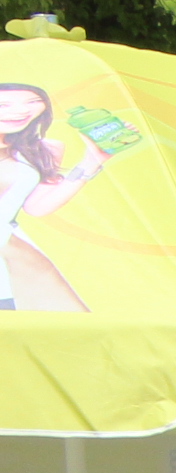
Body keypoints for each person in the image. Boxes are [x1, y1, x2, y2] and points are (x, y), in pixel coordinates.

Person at [0, 84, 106, 314]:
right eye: (4, 105)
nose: (20, 112)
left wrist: (92, 160)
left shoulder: (43, 149)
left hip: (12, 253)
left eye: (32, 102)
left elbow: (37, 207)